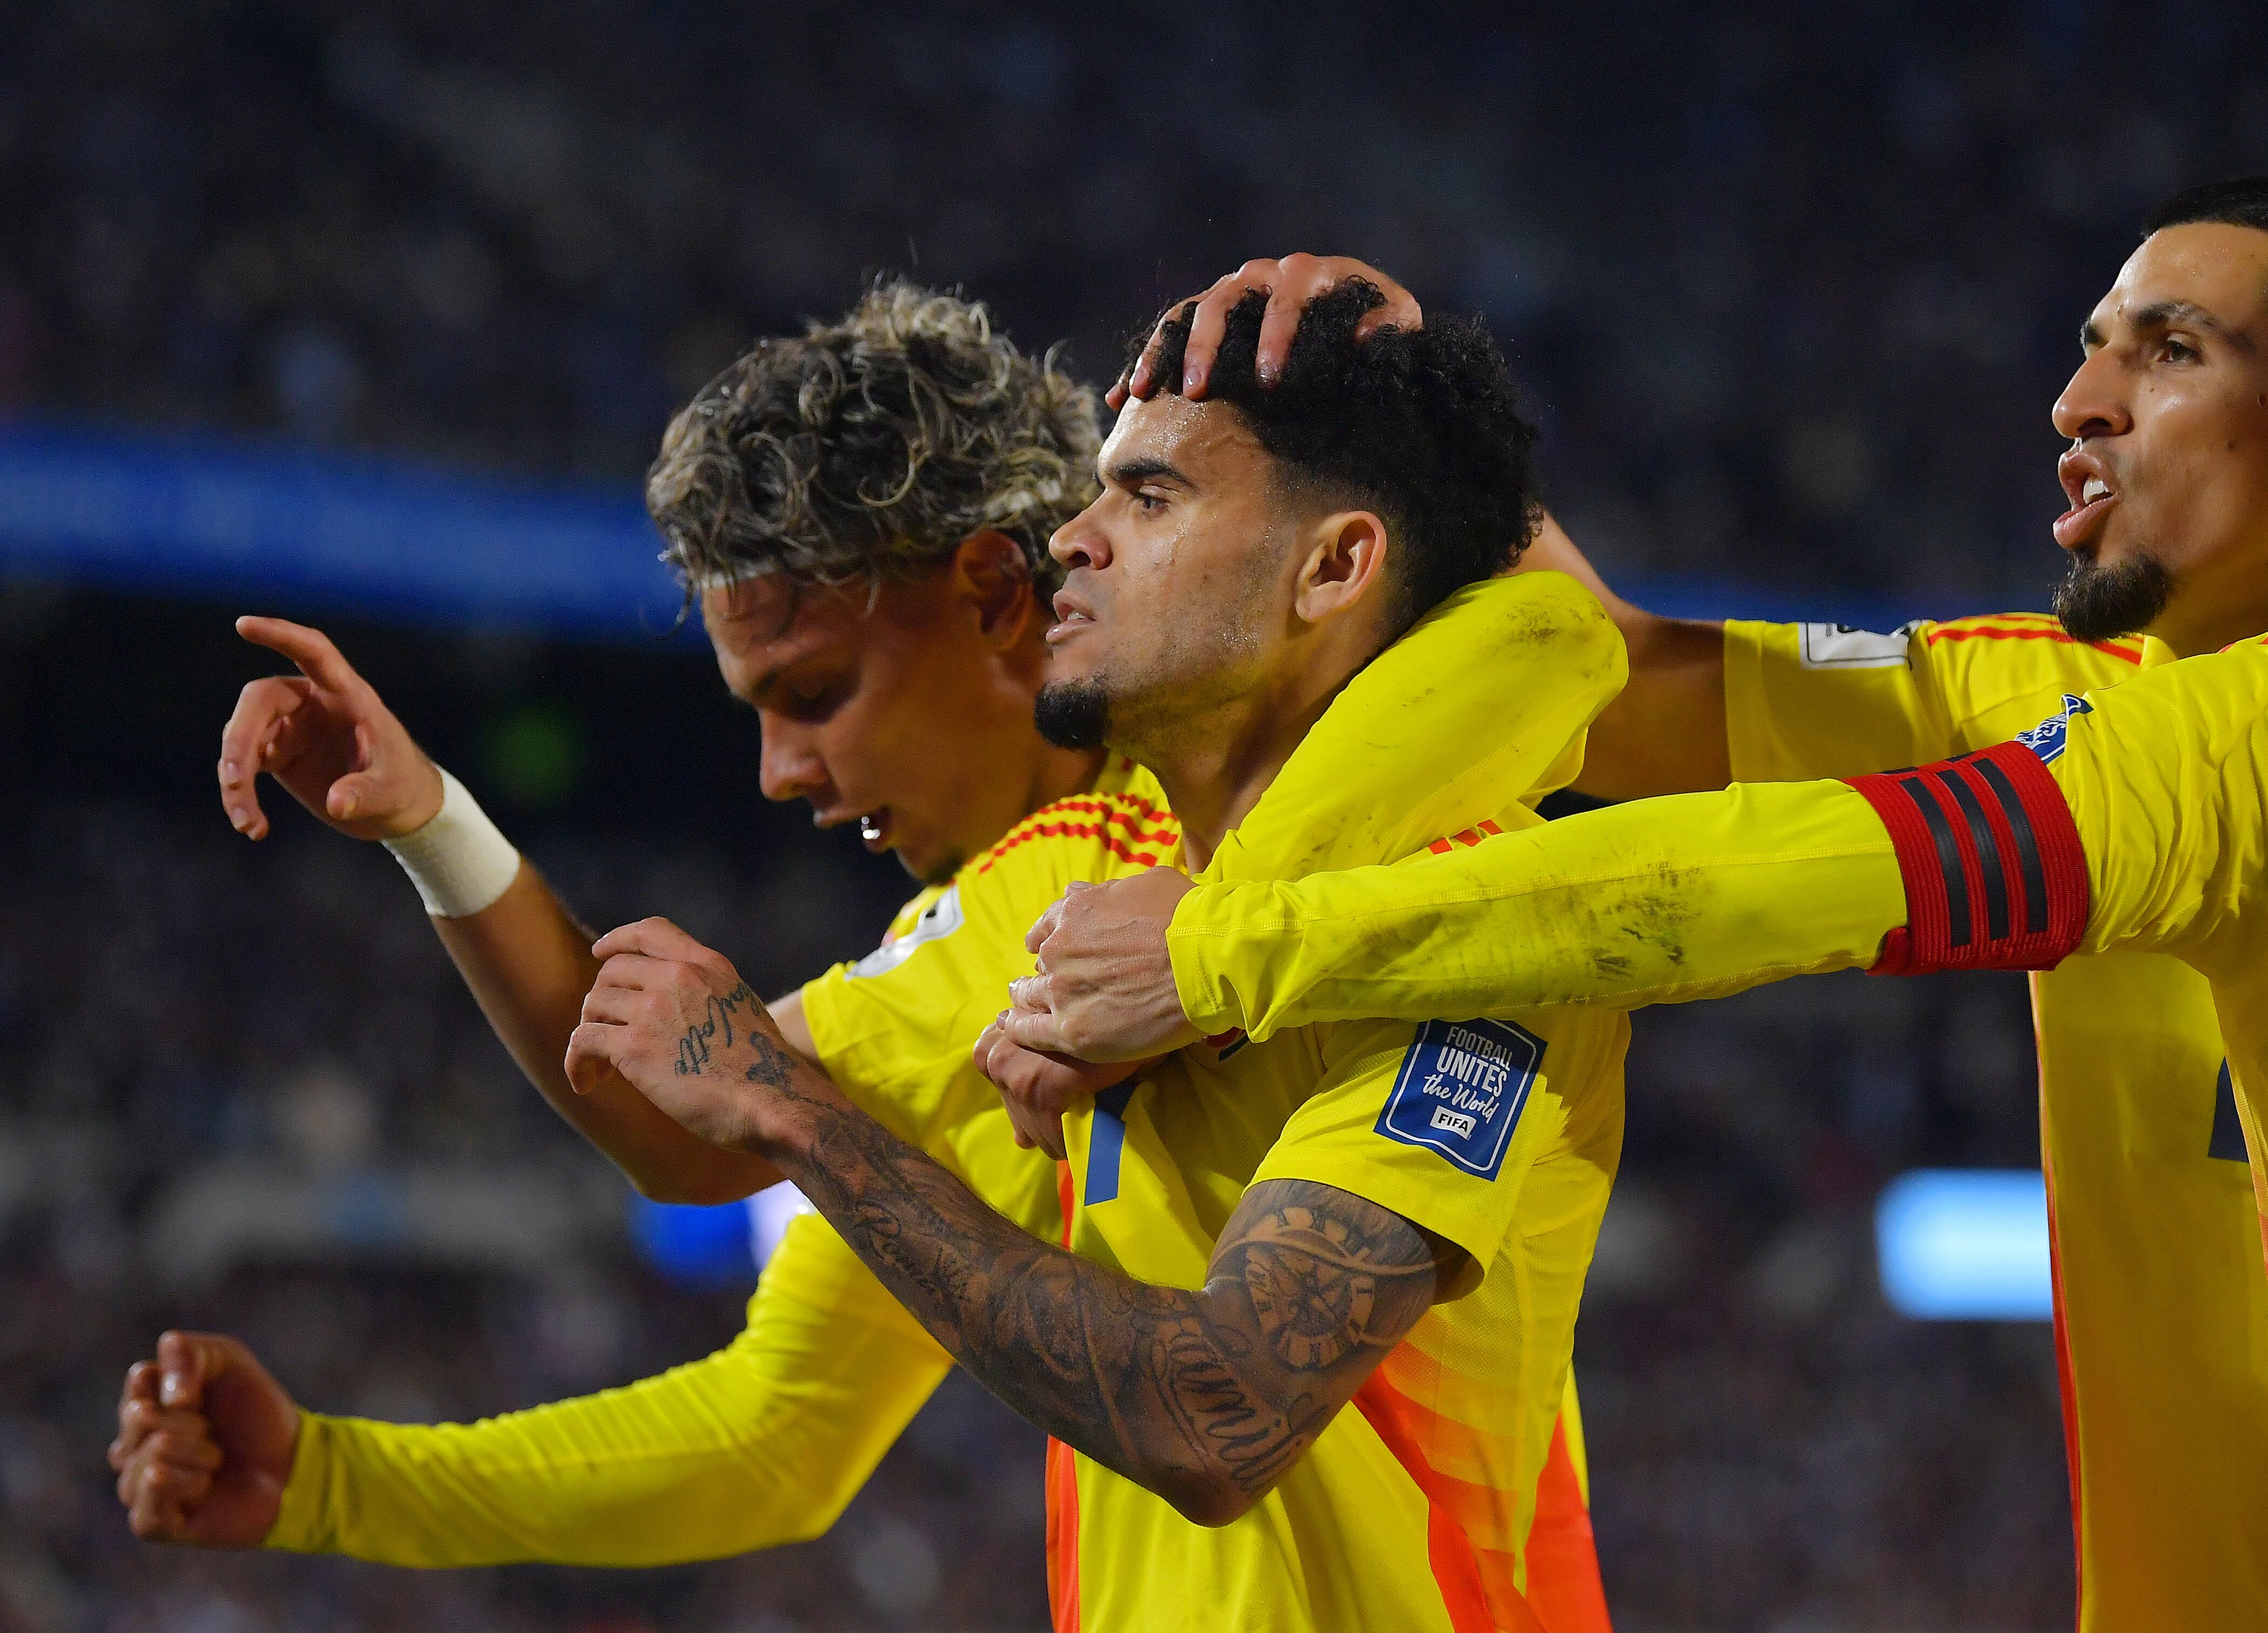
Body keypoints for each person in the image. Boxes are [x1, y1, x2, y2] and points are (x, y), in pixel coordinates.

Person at [1007, 183, 2268, 1633]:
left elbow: (1749, 882)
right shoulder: (2061, 701)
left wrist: (1220, 952)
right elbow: (1633, 678)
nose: (2080, 400)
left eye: (2173, 351)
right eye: (2093, 347)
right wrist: (1401, 395)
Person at [106, 279, 1626, 1629]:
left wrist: (438, 829)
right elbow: (779, 1437)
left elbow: (676, 1121)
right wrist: (330, 1481)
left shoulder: (1108, 869)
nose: (779, 771)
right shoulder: (1087, 895)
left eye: (814, 690)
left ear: (990, 594)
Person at [561, 281, 1633, 1631]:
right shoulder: (1080, 886)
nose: (1069, 538)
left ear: (1333, 564)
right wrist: (433, 829)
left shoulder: (1464, 923)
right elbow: (671, 1130)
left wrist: (801, 1120)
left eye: (1148, 500)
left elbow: (1220, 1413)